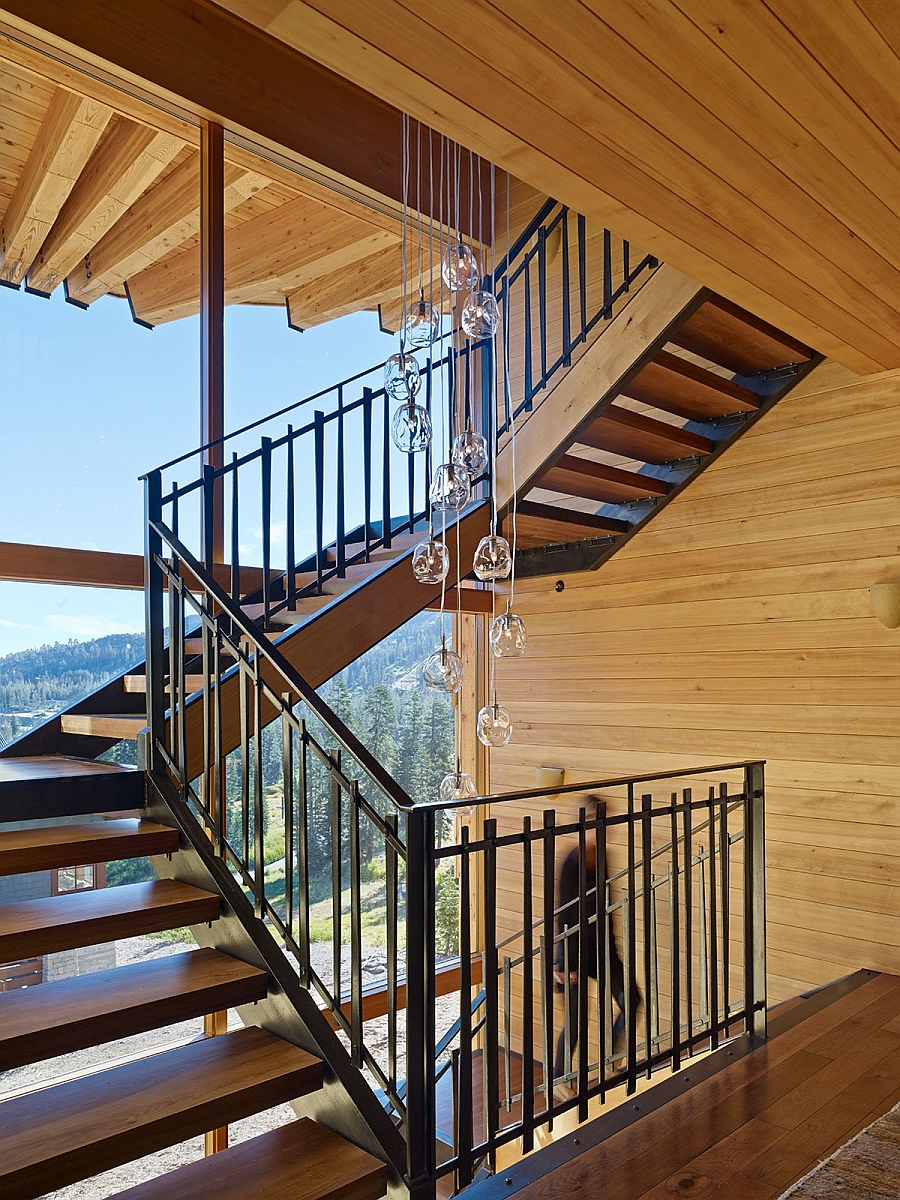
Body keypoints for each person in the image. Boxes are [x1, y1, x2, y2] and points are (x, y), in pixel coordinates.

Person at [553, 838, 640, 1089]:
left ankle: (609, 1061)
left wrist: (612, 953)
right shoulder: (571, 863)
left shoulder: (602, 856)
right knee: (575, 1023)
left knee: (631, 1001)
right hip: (574, 955)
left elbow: (606, 908)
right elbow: (565, 914)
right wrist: (565, 964)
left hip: (602, 952)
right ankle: (559, 1081)